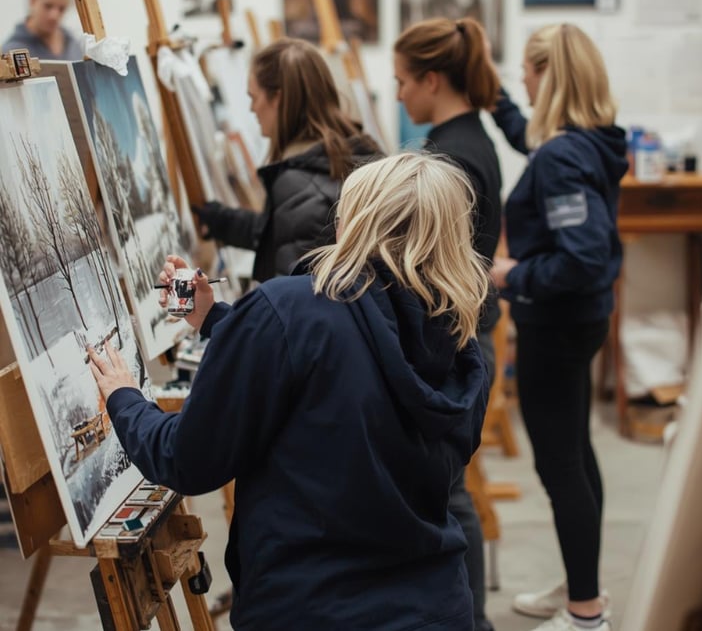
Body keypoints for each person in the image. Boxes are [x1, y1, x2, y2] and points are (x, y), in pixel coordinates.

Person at [89, 152, 491, 631]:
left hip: (312, 609)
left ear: (354, 225)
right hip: (436, 608)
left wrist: (123, 397)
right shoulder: (461, 347)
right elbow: (347, 368)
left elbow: (186, 458)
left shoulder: (291, 308)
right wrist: (218, 320)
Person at [489, 23, 627, 631]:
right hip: (582, 319)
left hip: (558, 324)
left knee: (560, 465)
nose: (522, 76)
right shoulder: (585, 141)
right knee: (577, 450)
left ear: (550, 76)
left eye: (526, 68)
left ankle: (586, 613)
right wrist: (495, 98)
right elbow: (532, 142)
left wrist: (511, 275)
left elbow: (583, 256)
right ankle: (583, 581)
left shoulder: (565, 155)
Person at [394, 16, 502, 631]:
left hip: (453, 334)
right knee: (450, 490)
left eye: (405, 81)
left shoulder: (453, 155)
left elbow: (434, 263)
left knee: (451, 495)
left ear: (432, 79)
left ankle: (472, 621)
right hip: (462, 328)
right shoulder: (469, 138)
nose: (401, 95)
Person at [192, 37, 381, 282]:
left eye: (254, 97)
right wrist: (226, 223)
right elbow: (293, 235)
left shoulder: (300, 178)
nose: (251, 109)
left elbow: (294, 298)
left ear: (277, 98)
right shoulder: (356, 150)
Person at [2, 0, 83, 61]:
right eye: (48, 6)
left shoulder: (74, 43)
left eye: (61, 9)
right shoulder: (11, 52)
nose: (54, 16)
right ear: (32, 0)